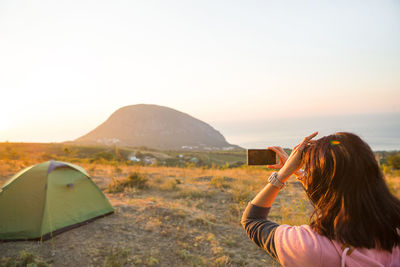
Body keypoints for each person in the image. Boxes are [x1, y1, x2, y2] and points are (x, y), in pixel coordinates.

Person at [241, 132, 400, 266]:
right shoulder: (393, 228)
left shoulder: (313, 247)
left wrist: (284, 174)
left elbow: (253, 221)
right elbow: (342, 197)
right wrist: (302, 174)